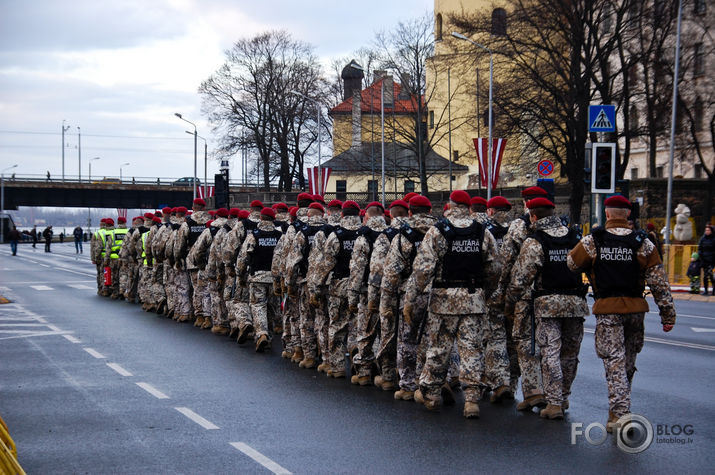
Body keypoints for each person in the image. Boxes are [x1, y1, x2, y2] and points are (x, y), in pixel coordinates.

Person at [568, 195, 676, 433]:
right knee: (627, 361)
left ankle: (620, 414)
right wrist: (668, 315)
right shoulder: (643, 242)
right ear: (628, 214)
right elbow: (659, 282)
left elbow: (572, 264)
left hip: (608, 310)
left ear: (606, 214)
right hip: (636, 310)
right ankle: (618, 410)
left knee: (614, 362)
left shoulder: (593, 240)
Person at [404, 190, 501, 418]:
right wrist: (486, 290)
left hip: (443, 300)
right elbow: (495, 267)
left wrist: (411, 297)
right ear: (468, 208)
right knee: (471, 350)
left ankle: (432, 394)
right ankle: (471, 401)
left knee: (439, 348)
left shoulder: (438, 230)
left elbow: (422, 269)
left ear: (449, 206)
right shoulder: (481, 232)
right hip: (473, 298)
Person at [507, 197, 588, 420]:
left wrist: (509, 302)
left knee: (550, 352)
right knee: (570, 354)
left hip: (548, 304)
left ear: (533, 216)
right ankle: (562, 397)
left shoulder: (535, 241)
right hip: (575, 304)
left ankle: (553, 403)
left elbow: (520, 278)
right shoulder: (575, 237)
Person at [698, 224, 714, 295]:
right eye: (706, 230)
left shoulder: (714, 239)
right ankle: (706, 290)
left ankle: (714, 290)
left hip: (712, 261)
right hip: (704, 260)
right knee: (705, 276)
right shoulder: (702, 238)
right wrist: (701, 255)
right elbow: (700, 248)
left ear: (711, 231)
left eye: (708, 230)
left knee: (711, 275)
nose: (707, 231)